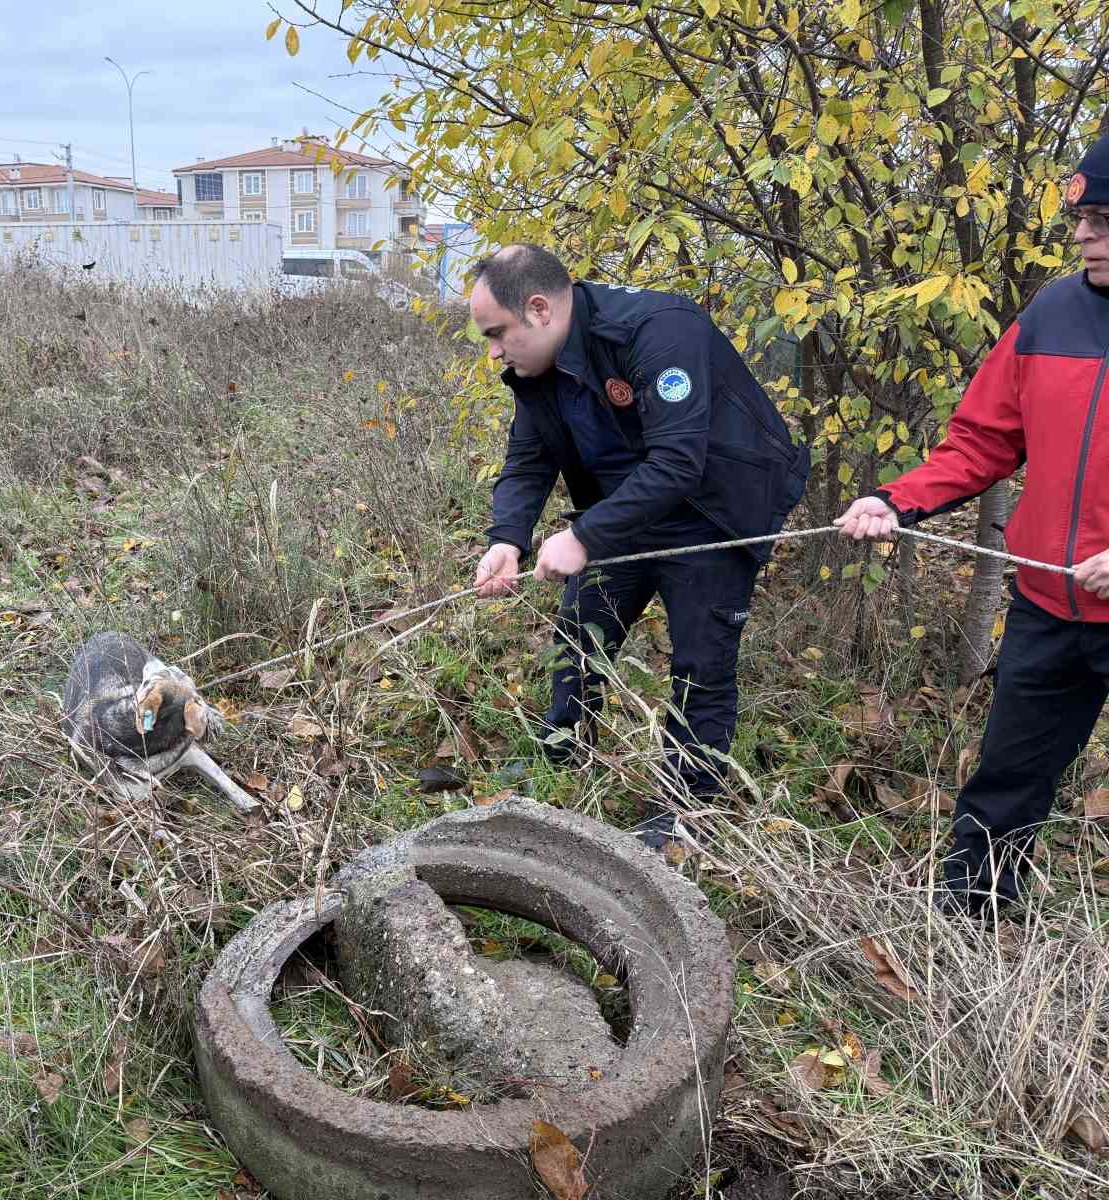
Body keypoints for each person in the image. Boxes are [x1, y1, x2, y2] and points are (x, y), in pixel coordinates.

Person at [835, 135, 1109, 917]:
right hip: (1050, 611)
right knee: (1007, 779)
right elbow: (983, 440)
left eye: (1102, 217)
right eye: (1081, 217)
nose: (1084, 234)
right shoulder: (1052, 310)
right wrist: (898, 499)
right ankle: (970, 921)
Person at [470, 245, 809, 846]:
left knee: (700, 664)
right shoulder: (539, 371)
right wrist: (507, 541)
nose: (494, 351)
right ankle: (562, 759)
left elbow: (680, 461)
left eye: (498, 333)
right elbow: (527, 460)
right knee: (578, 634)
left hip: (713, 513)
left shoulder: (658, 331)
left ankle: (685, 811)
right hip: (625, 511)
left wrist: (583, 535)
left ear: (540, 309)